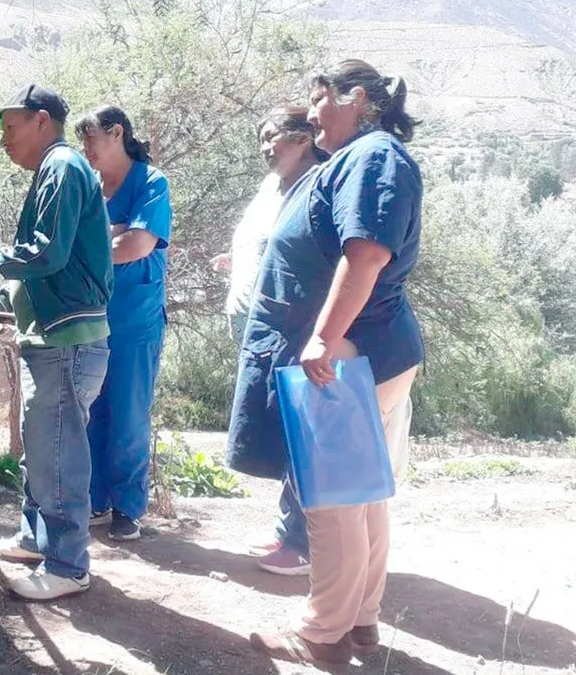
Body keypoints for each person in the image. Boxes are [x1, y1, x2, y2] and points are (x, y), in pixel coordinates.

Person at [226, 59, 424, 664]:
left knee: (333, 497)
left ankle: (321, 632)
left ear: (355, 97)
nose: (310, 115)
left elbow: (364, 255)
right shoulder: (360, 157)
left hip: (345, 351)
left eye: (318, 101)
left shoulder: (373, 158)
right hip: (360, 349)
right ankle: (359, 620)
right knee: (361, 493)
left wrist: (321, 339)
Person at [0, 83, 112, 601]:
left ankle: (69, 566)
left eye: (9, 126)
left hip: (69, 340)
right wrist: (3, 303)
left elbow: (46, 253)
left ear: (41, 121)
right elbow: (43, 265)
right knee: (43, 447)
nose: (3, 140)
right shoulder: (55, 170)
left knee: (60, 453)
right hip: (53, 338)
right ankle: (36, 538)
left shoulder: (63, 167)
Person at [213, 107, 327, 576]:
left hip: (294, 330)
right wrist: (236, 259)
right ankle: (287, 530)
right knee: (281, 431)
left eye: (272, 137)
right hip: (260, 328)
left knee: (301, 431)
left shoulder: (318, 184)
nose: (265, 147)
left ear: (302, 137)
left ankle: (303, 544)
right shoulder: (274, 185)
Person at [73, 106, 172, 541]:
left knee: (129, 414)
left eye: (91, 139)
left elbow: (137, 245)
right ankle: (93, 501)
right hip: (90, 318)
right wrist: (108, 237)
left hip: (135, 319)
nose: (85, 150)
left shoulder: (151, 183)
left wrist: (94, 247)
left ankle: (127, 509)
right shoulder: (91, 188)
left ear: (117, 134)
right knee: (88, 411)